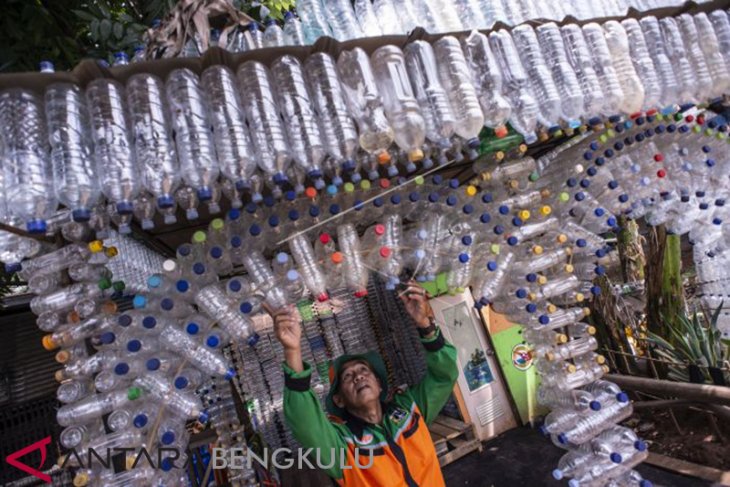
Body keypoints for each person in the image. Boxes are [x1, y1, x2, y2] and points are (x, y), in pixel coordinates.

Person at [264, 282, 459, 487]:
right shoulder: (343, 448)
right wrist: (292, 350)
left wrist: (425, 325)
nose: (358, 377)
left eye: (364, 370)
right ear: (338, 400)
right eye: (348, 377)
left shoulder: (409, 409)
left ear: (380, 385)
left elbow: (443, 376)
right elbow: (305, 421)